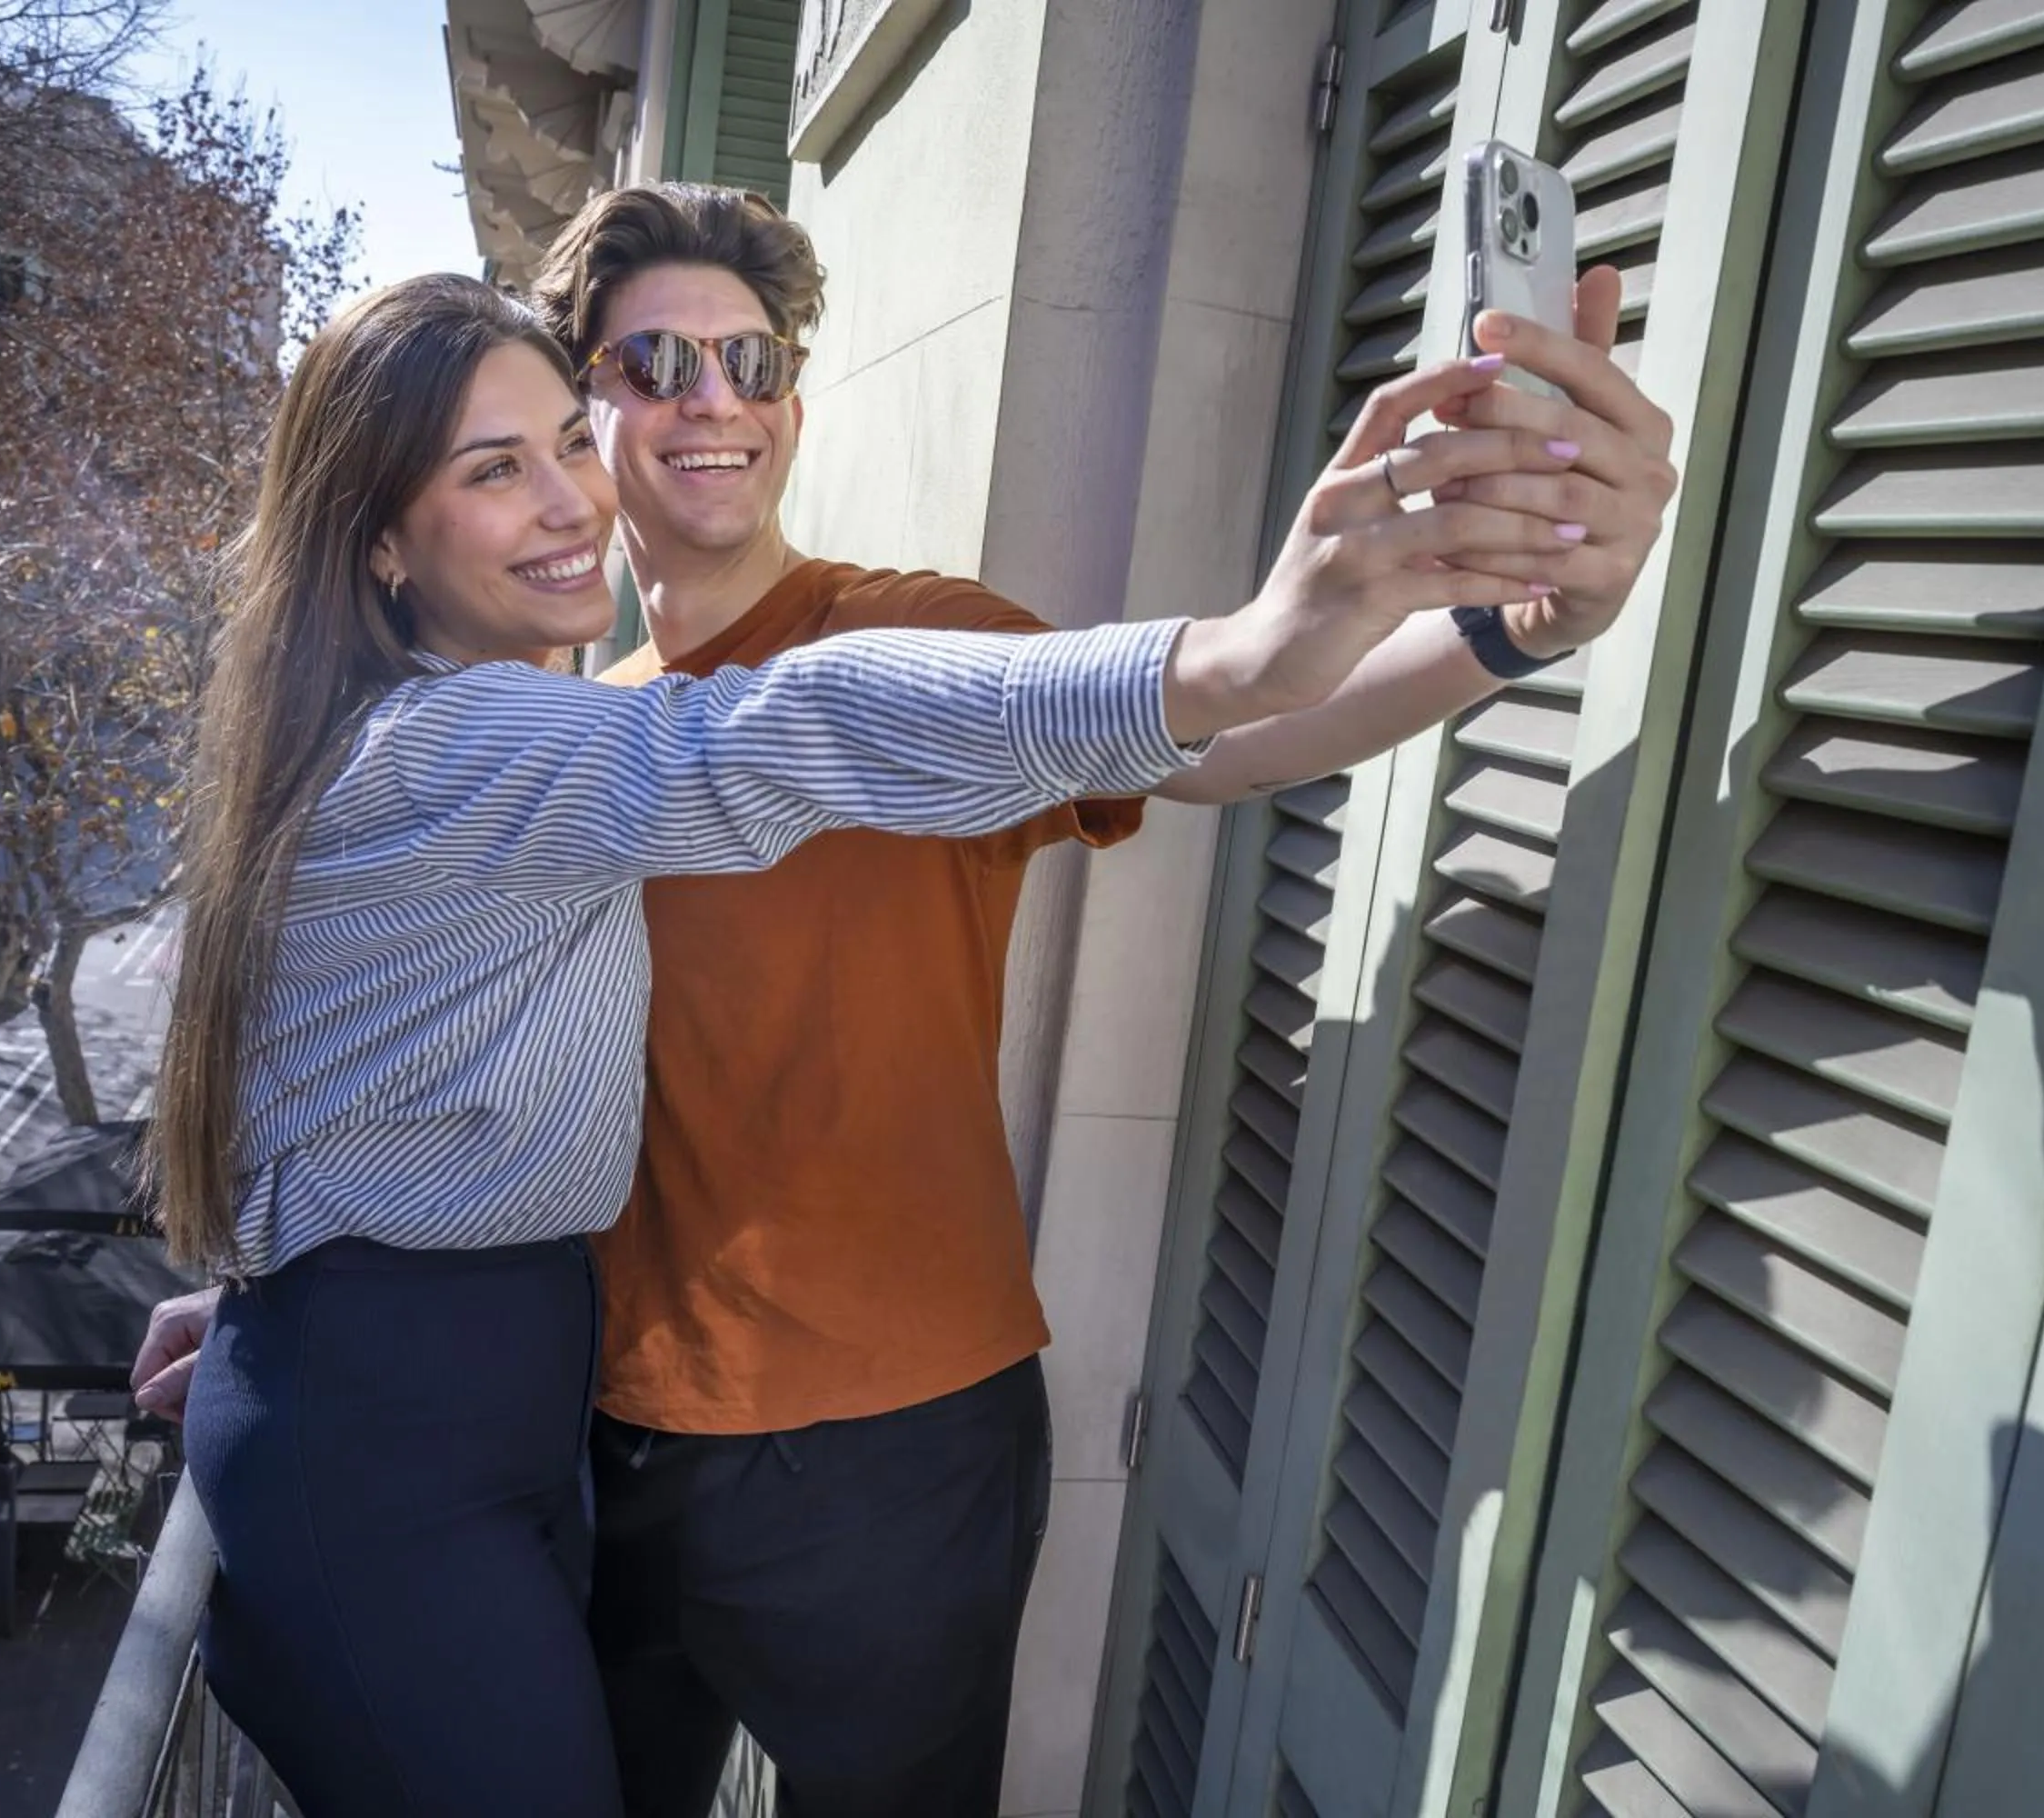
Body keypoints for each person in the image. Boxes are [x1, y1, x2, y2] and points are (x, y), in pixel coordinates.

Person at [140, 264, 1579, 1818]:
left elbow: (1190, 752)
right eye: (639, 371)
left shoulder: (871, 647)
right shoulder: (520, 730)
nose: (705, 400)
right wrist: (320, 1304)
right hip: (572, 1431)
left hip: (855, 1440)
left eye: (750, 356)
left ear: (792, 404)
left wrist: (1472, 640)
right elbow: (749, 747)